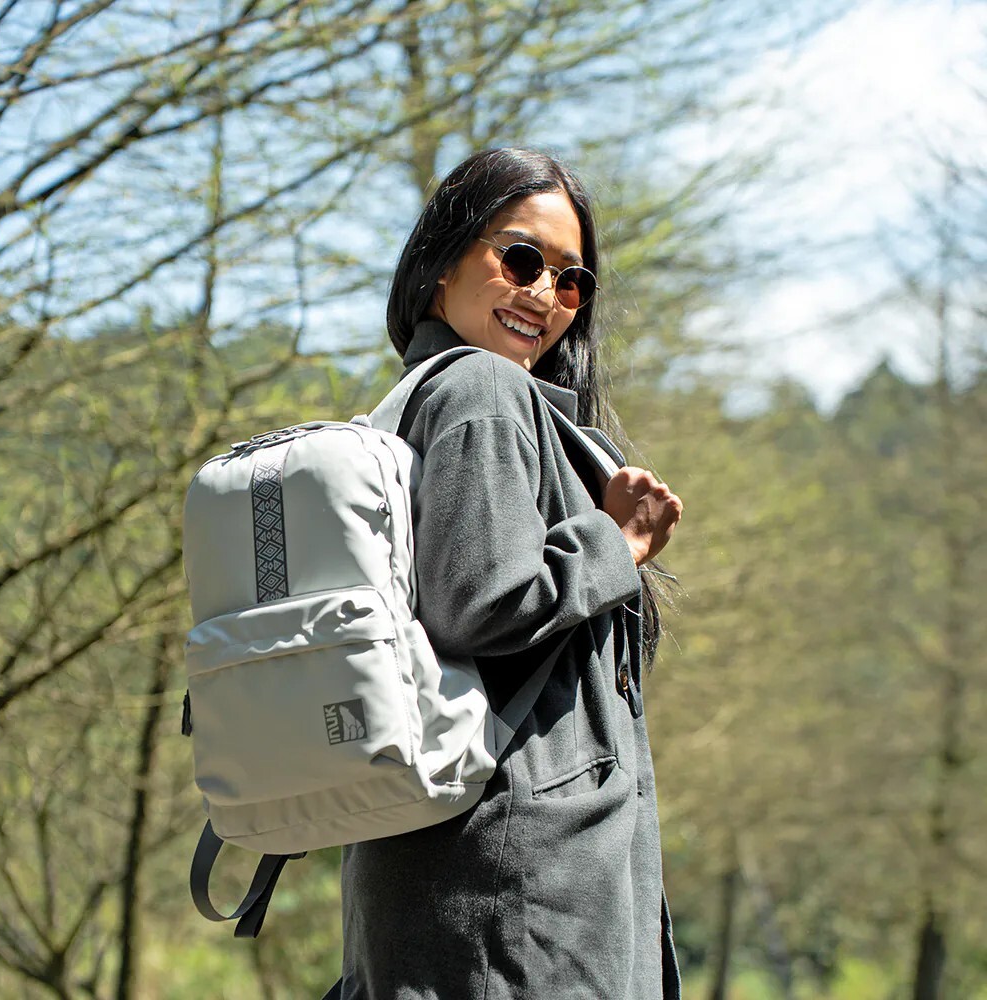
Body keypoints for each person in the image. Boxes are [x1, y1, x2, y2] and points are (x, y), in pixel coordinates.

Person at [338, 147, 684, 1000]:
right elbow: (481, 605)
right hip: (519, 902)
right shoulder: (482, 389)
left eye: (571, 281)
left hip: (474, 882)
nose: (544, 293)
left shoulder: (422, 401)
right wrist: (617, 543)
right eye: (521, 259)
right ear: (441, 262)